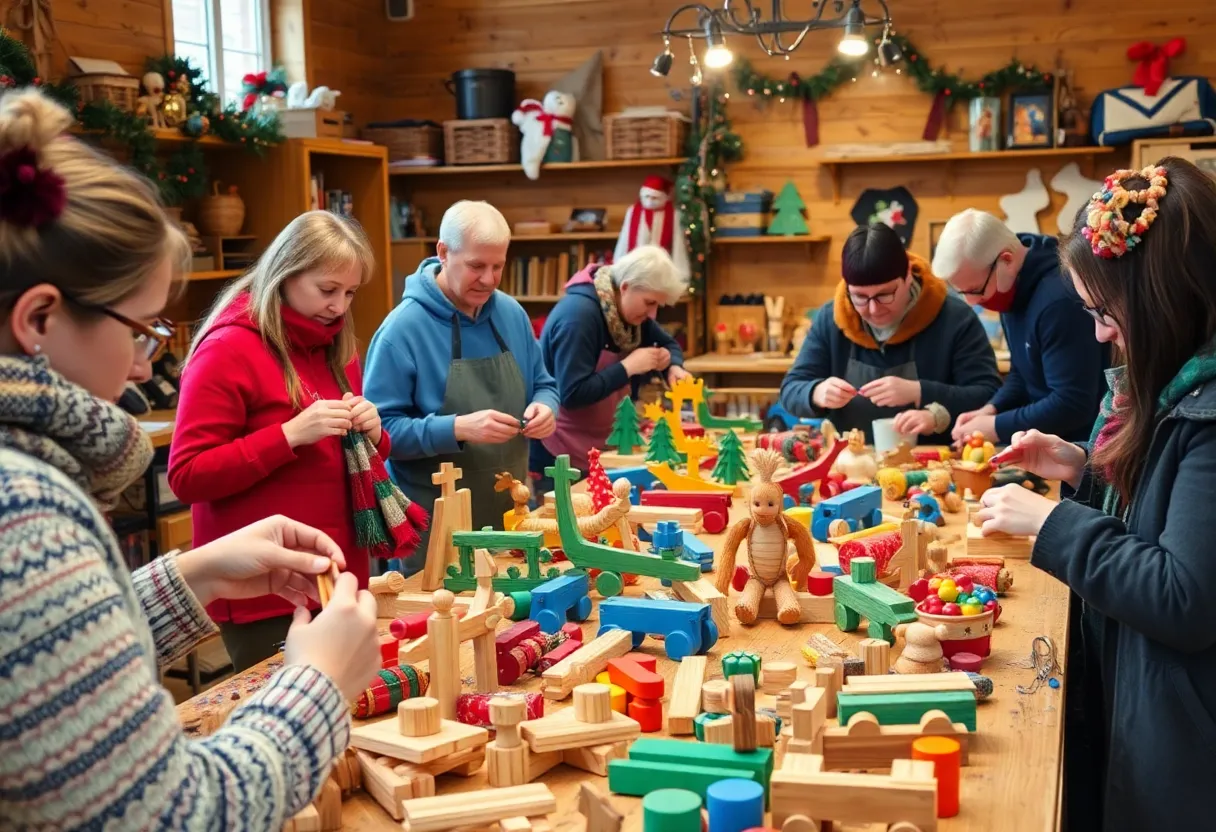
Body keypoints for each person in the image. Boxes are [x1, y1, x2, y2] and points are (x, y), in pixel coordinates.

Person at [0, 88, 378, 828]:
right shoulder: (26, 515)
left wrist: (190, 573)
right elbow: (173, 813)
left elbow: (50, 655)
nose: (145, 367)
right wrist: (320, 684)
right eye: (141, 330)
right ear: (40, 318)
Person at [975, 158, 1216, 830]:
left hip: (1184, 743)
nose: (1102, 335)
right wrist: (1083, 468)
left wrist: (1054, 524)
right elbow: (1162, 516)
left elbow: (1184, 597)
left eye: (1107, 314)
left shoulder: (1209, 411)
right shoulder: (1177, 382)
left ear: (1167, 297)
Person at [169, 211, 417, 671]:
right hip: (266, 590)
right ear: (285, 275)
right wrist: (288, 436)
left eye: (349, 293)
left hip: (339, 577)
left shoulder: (333, 342)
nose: (339, 307)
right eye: (327, 290)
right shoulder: (228, 348)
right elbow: (187, 475)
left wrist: (374, 433)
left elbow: (351, 458)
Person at [365, 200, 559, 575]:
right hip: (435, 531)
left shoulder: (511, 314)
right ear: (443, 252)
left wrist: (547, 407)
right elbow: (379, 433)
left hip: (513, 517)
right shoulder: (401, 331)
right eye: (476, 266)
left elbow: (545, 384)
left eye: (498, 266)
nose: (488, 279)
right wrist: (456, 428)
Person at [778, 223, 1001, 445]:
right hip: (850, 464)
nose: (874, 309)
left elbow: (988, 394)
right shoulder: (832, 317)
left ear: (907, 275)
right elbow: (790, 390)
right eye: (860, 297)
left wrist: (920, 391)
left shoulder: (954, 317)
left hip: (934, 463)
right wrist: (816, 392)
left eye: (885, 294)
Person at [933, 208, 1108, 444]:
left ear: (1006, 259)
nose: (972, 302)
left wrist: (996, 427)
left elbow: (1072, 402)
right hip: (1048, 443)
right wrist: (991, 409)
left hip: (1084, 450)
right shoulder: (1012, 286)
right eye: (961, 292)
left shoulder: (1058, 301)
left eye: (975, 290)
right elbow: (1022, 373)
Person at [531, 244, 690, 491]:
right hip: (562, 454)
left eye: (658, 305)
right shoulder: (578, 317)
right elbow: (571, 394)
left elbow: (668, 343)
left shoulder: (627, 312)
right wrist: (628, 367)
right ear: (625, 286)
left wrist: (674, 366)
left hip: (602, 449)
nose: (652, 314)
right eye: (649, 303)